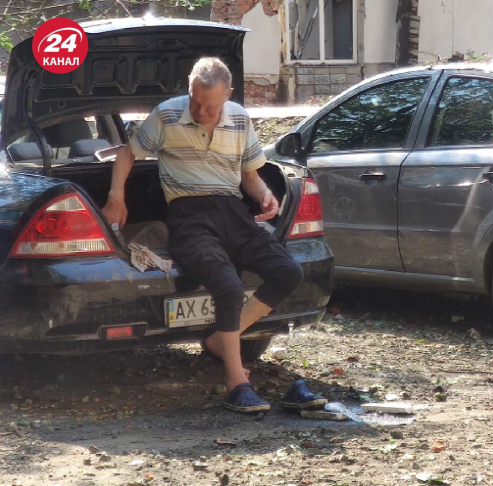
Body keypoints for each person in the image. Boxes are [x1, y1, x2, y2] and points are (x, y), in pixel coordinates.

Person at [102, 57, 327, 413]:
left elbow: (249, 175)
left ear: (229, 95)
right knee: (228, 286)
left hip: (233, 211)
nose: (201, 111)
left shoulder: (239, 118)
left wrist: (264, 195)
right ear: (189, 89)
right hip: (188, 215)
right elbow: (127, 153)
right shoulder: (167, 115)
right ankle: (237, 383)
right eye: (195, 100)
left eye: (210, 105)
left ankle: (222, 341)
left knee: (289, 272)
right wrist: (116, 196)